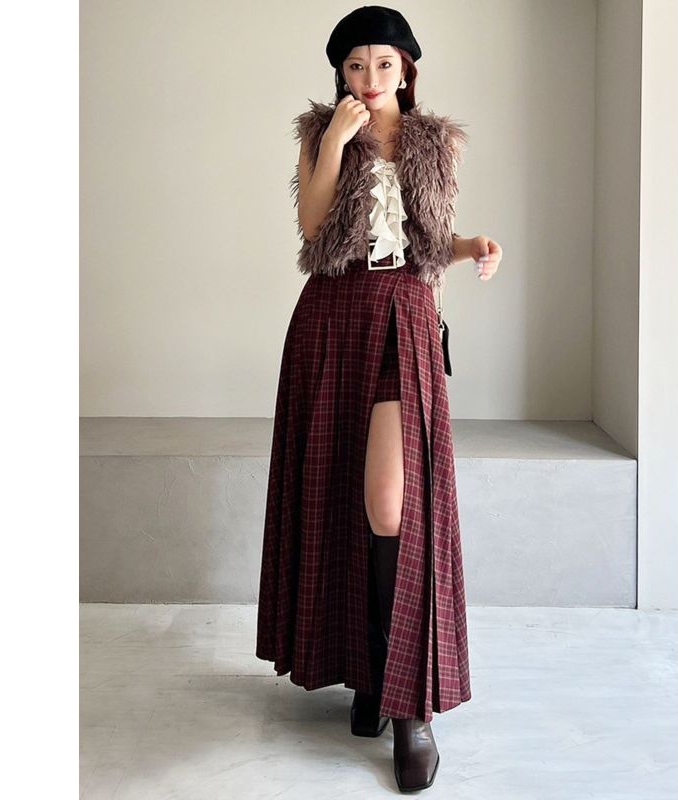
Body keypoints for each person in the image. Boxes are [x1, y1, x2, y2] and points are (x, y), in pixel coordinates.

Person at [256, 5, 502, 793]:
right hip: (333, 316)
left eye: (384, 65)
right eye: (356, 66)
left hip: (405, 317)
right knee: (342, 498)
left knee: (392, 505)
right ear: (341, 72)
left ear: (407, 70)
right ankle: (367, 671)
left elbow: (429, 240)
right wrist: (334, 139)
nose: (370, 78)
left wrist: (472, 247)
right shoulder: (320, 132)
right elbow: (312, 226)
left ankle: (408, 709)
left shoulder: (435, 142)